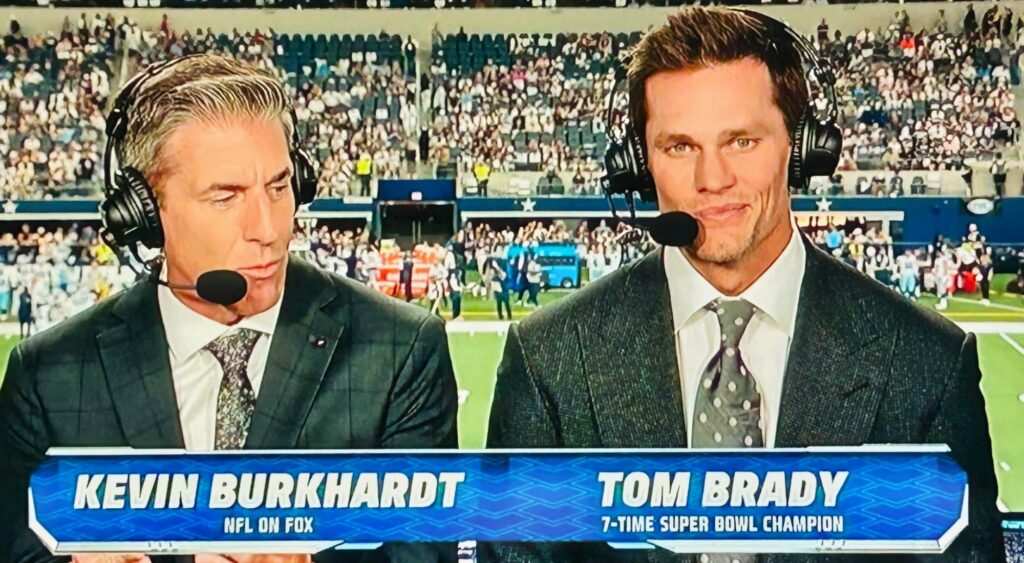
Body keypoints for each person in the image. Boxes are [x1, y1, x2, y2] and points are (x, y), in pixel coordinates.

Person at [483, 8, 1002, 562]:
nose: (713, 179)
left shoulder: (926, 363)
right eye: (679, 146)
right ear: (638, 165)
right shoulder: (550, 359)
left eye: (742, 142)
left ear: (800, 151)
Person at [0, 54, 458, 563]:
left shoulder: (401, 349)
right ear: (145, 214)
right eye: (225, 196)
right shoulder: (48, 375)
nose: (268, 228)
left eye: (279, 187)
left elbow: (423, 552)